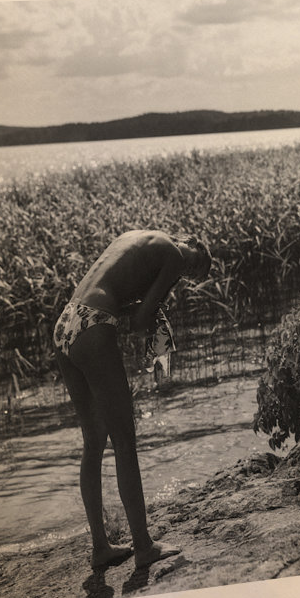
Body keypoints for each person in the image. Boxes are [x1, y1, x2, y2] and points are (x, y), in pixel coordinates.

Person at [53, 229, 212, 571]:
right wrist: (156, 319)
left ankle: (101, 547)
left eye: (191, 275)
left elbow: (115, 296)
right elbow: (139, 321)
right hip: (93, 326)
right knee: (125, 442)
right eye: (195, 264)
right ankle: (143, 546)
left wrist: (142, 310)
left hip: (66, 322)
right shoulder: (174, 254)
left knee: (94, 440)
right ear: (190, 242)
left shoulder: (136, 238)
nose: (186, 272)